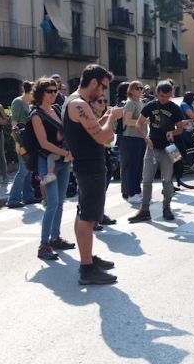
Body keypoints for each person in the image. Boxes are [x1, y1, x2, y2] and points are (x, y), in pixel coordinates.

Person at [63, 64, 123, 285]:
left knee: (83, 213)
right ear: (95, 82)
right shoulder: (79, 104)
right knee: (88, 217)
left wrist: (104, 117)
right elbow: (103, 137)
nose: (103, 93)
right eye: (103, 87)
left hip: (84, 166)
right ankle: (87, 269)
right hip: (90, 167)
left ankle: (87, 258)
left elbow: (92, 132)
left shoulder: (73, 101)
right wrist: (112, 117)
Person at [29, 78, 75, 260]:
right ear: (40, 93)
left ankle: (55, 237)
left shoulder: (56, 109)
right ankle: (43, 244)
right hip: (47, 163)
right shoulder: (36, 115)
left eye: (55, 90)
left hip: (63, 161)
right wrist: (66, 153)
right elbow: (43, 143)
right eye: (49, 90)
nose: (54, 93)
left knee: (60, 201)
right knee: (52, 203)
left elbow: (62, 133)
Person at [128, 81, 186, 222]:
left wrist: (173, 132)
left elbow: (181, 129)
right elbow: (138, 124)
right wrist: (145, 138)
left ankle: (166, 208)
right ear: (156, 93)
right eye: (161, 96)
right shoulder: (150, 106)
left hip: (169, 148)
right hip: (152, 147)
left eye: (167, 96)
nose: (164, 99)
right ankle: (144, 210)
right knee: (146, 180)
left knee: (167, 181)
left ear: (171, 94)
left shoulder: (175, 108)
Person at [7, 81, 38, 208]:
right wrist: (17, 143)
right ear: (30, 91)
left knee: (28, 169)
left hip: (29, 139)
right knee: (23, 170)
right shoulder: (18, 102)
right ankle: (13, 199)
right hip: (22, 140)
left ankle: (28, 197)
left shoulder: (30, 103)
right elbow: (14, 123)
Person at [90, 92, 118, 228]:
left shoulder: (104, 117)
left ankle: (99, 214)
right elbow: (104, 136)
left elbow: (111, 137)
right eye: (99, 101)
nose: (103, 104)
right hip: (95, 153)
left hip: (105, 152)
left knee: (103, 187)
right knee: (96, 188)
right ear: (92, 104)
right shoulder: (91, 118)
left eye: (104, 101)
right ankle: (93, 218)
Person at [122, 81, 147, 204]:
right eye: (137, 88)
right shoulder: (130, 103)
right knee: (133, 166)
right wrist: (143, 121)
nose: (140, 90)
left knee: (139, 166)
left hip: (140, 137)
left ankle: (137, 191)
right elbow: (127, 121)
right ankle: (132, 193)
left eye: (141, 88)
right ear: (131, 90)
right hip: (132, 138)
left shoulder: (141, 102)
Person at [114, 81, 130, 199]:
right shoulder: (123, 104)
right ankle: (126, 190)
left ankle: (129, 189)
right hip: (124, 136)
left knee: (128, 164)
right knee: (125, 165)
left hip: (125, 136)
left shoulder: (123, 103)